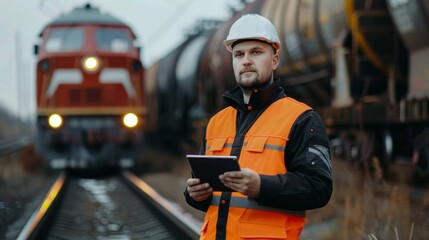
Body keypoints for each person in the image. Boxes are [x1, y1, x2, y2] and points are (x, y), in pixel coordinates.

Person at [184, 13, 333, 240]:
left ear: (274, 60)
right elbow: (216, 199)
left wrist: (262, 186)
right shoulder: (216, 123)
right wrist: (194, 194)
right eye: (239, 54)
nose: (246, 60)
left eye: (256, 52)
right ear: (232, 61)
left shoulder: (301, 118)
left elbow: (319, 188)